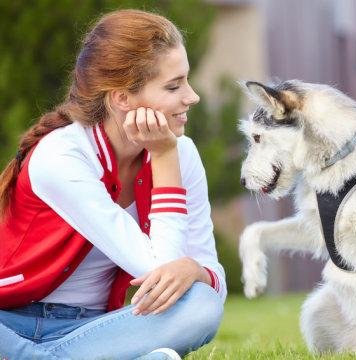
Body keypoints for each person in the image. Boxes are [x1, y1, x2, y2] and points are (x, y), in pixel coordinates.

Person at [0, 9, 226, 360]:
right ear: (122, 98)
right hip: (9, 324)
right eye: (174, 85)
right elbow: (156, 267)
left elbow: (202, 283)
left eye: (187, 80)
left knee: (202, 305)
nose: (192, 96)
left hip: (92, 332)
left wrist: (196, 270)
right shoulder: (61, 156)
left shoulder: (180, 153)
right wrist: (165, 159)